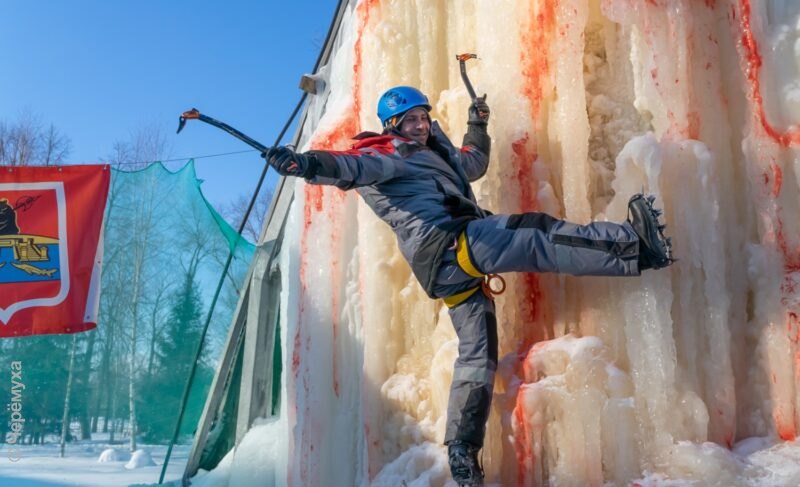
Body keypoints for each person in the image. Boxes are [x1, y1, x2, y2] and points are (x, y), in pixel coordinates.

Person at [263, 86, 673, 486]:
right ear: (393, 125)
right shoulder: (385, 153)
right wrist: (306, 164)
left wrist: (477, 123)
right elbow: (350, 167)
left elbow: (472, 164)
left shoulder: (432, 154)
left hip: (447, 270)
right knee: (532, 233)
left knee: (477, 358)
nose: (421, 125)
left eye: (424, 117)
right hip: (449, 245)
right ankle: (634, 247)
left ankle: (462, 451)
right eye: (411, 120)